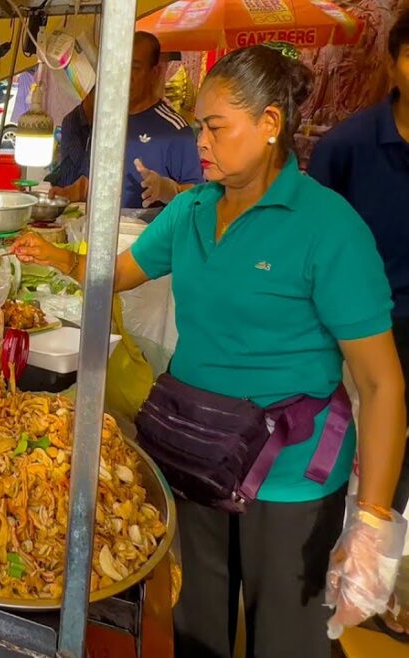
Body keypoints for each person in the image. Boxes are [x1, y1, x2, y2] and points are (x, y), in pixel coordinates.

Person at [13, 46, 406, 658]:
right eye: (199, 125)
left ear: (270, 123)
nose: (200, 141)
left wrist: (374, 522)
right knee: (197, 630)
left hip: (289, 480)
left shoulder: (329, 228)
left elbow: (382, 385)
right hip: (196, 453)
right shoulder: (191, 210)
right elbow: (120, 273)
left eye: (216, 127)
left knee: (285, 641)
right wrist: (58, 257)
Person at [309, 8, 409, 638]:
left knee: (398, 464)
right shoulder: (347, 147)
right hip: (360, 331)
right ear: (395, 63)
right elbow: (308, 236)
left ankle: (378, 581)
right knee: (346, 452)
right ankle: (328, 571)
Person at [52, 32, 203, 210]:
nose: (126, 75)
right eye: (122, 66)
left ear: (154, 73)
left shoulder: (175, 130)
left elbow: (197, 196)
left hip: (152, 227)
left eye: (135, 68)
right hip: (101, 226)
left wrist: (167, 189)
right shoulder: (107, 122)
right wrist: (68, 193)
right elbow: (90, 182)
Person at [45, 88, 93, 188]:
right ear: (88, 96)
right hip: (70, 182)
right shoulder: (71, 122)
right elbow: (78, 161)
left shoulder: (98, 121)